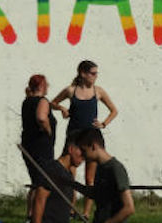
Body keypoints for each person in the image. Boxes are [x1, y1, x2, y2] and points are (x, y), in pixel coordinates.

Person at [50, 60, 118, 218]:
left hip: (92, 138)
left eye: (96, 73)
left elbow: (114, 110)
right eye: (93, 73)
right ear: (83, 73)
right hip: (74, 137)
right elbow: (53, 102)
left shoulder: (98, 91)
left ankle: (86, 212)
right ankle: (70, 207)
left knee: (90, 178)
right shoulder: (71, 90)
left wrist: (103, 124)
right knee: (70, 175)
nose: (96, 76)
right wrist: (62, 109)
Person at [70, 128, 134, 223]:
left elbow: (129, 208)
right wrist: (69, 183)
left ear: (94, 146)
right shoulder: (100, 167)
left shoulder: (115, 169)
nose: (82, 155)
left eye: (84, 150)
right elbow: (98, 194)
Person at [22, 74, 57, 222]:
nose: (48, 86)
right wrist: (48, 129)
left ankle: (30, 215)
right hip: (41, 148)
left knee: (36, 181)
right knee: (42, 183)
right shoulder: (42, 101)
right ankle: (37, 216)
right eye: (46, 84)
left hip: (28, 146)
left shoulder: (26, 101)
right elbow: (41, 117)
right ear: (42, 86)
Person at [32, 132, 85, 223]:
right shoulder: (52, 170)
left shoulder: (68, 174)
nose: (84, 158)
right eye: (82, 153)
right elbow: (39, 201)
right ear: (71, 149)